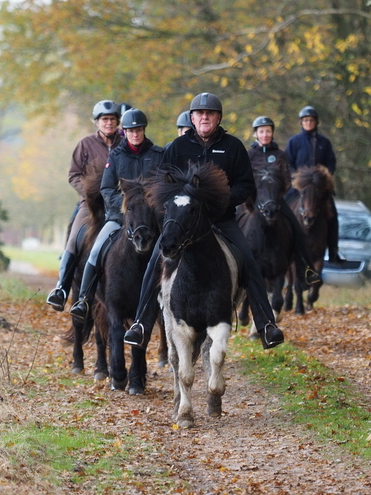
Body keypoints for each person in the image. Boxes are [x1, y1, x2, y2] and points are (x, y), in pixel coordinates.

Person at [123, 92, 284, 350]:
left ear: (218, 118)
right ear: (192, 118)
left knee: (247, 259)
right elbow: (162, 185)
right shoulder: (176, 148)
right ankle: (140, 324)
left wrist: (223, 199)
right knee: (155, 260)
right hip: (183, 223)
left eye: (210, 113)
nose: (204, 117)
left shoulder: (233, 147)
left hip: (221, 219)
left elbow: (246, 184)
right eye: (199, 113)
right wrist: (180, 205)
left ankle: (266, 324)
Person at [69, 108, 164, 322]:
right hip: (120, 219)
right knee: (95, 251)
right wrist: (124, 206)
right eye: (131, 131)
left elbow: (165, 187)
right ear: (125, 132)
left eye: (139, 130)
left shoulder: (158, 156)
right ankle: (83, 299)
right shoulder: (116, 156)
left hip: (151, 220)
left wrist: (152, 205)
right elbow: (106, 189)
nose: (135, 134)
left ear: (144, 130)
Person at [46, 100, 123, 312]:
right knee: (74, 239)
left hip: (119, 204)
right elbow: (74, 175)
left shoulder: (124, 143)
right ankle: (61, 289)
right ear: (96, 122)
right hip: (90, 205)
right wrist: (89, 193)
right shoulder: (85, 144)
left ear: (117, 122)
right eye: (104, 119)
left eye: (112, 119)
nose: (108, 123)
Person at [248, 116, 321, 286]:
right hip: (252, 201)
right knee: (234, 222)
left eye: (268, 131)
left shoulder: (280, 155)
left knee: (296, 228)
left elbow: (288, 180)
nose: (265, 134)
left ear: (272, 133)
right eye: (261, 131)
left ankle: (307, 270)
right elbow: (243, 178)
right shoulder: (249, 155)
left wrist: (276, 196)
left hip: (275, 201)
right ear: (256, 134)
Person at [285, 105, 343, 264]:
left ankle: (333, 251)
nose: (308, 123)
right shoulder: (294, 142)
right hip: (299, 188)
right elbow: (288, 163)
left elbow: (331, 163)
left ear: (316, 122)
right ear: (301, 122)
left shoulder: (325, 142)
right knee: (282, 209)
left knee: (333, 215)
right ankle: (282, 248)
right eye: (305, 120)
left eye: (311, 120)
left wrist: (325, 176)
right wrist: (296, 178)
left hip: (319, 189)